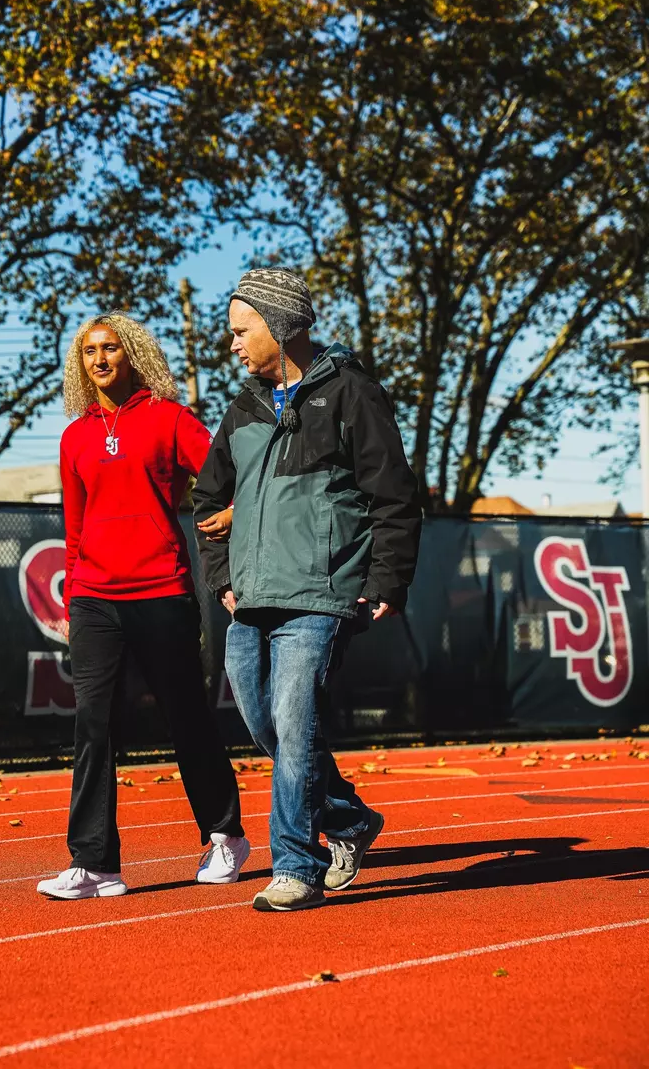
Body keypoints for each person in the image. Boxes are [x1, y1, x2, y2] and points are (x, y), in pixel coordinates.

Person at [193, 268, 422, 913]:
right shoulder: (242, 408)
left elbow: (394, 498)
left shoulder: (353, 394)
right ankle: (349, 822)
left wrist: (389, 579)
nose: (233, 344)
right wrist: (224, 579)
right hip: (251, 598)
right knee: (266, 723)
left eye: (242, 330)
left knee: (295, 725)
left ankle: (297, 863)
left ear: (282, 324)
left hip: (321, 595)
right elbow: (208, 500)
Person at [38, 313, 249, 901]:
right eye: (89, 352)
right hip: (95, 599)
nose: (100, 359)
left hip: (162, 591)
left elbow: (224, 476)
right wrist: (76, 588)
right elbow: (74, 526)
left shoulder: (169, 419)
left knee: (186, 718)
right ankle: (95, 864)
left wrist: (230, 515)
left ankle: (226, 834)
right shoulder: (74, 436)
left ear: (132, 354)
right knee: (93, 726)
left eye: (110, 348)